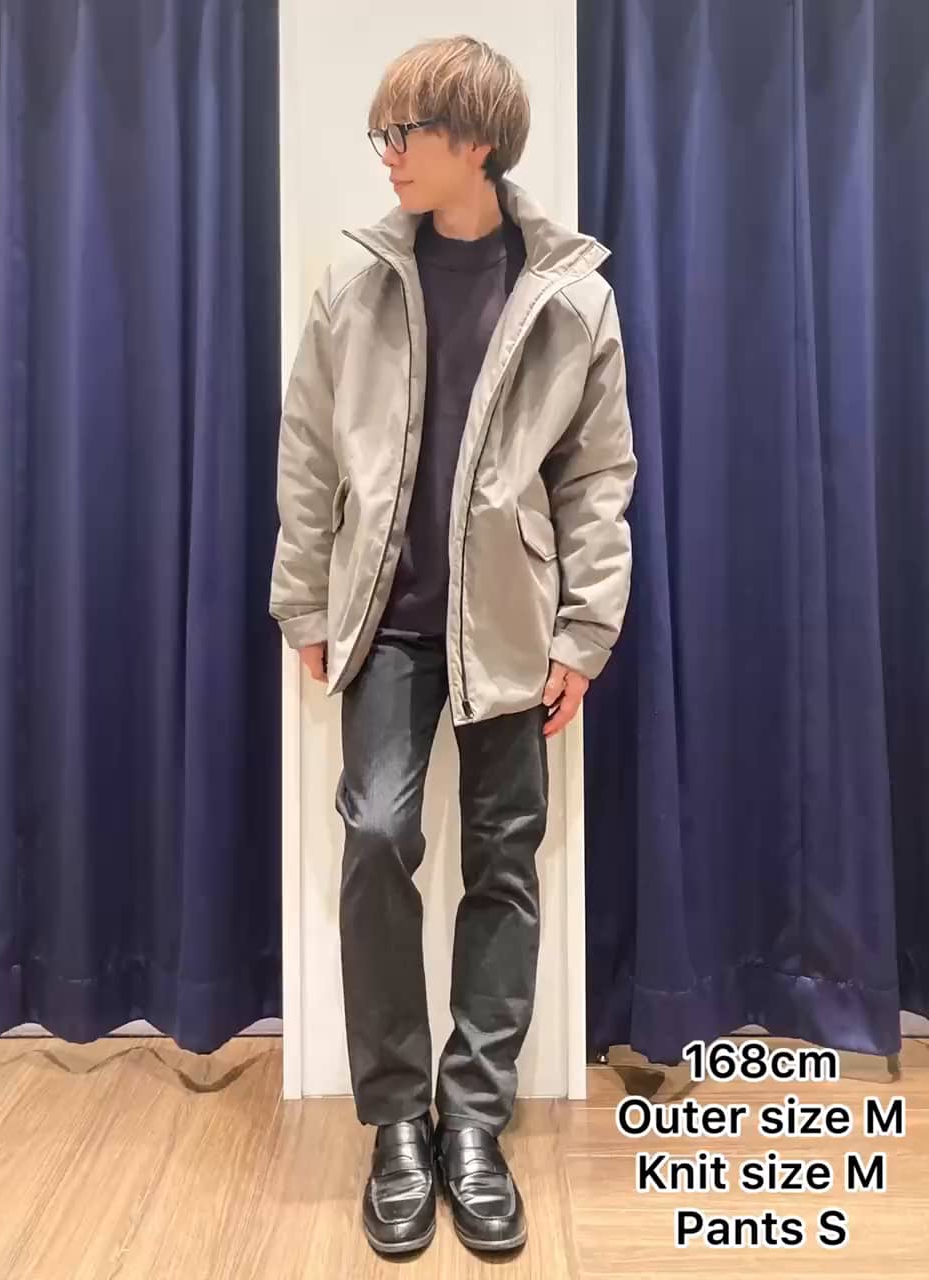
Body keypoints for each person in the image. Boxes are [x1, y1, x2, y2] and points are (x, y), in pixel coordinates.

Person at [269, 34, 636, 1257]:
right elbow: (309, 448)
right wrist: (306, 602)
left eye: (405, 133)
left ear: (474, 141)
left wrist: (585, 629)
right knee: (377, 836)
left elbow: (598, 477)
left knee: (505, 862)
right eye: (382, 132)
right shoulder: (358, 281)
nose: (385, 153)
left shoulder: (571, 295)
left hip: (513, 628)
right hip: (386, 622)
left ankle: (472, 1117)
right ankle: (396, 1121)